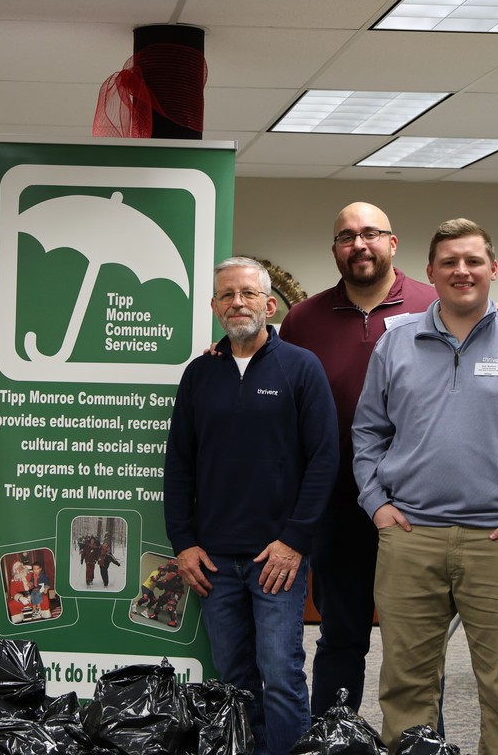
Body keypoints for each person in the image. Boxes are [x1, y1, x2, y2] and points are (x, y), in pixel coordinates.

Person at [352, 219, 498, 753]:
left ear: (493, 269)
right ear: (430, 271)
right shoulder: (396, 345)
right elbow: (368, 432)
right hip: (411, 538)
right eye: (450, 262)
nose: (462, 271)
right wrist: (376, 505)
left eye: (473, 260)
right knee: (405, 685)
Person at [164, 256, 338, 755]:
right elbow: (178, 465)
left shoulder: (301, 368)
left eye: (246, 293)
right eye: (226, 295)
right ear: (215, 306)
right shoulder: (199, 374)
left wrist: (293, 542)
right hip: (213, 560)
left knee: (281, 675)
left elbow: (324, 460)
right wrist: (184, 544)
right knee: (235, 678)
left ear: (269, 302)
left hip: (275, 558)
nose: (236, 302)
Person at [278, 201, 438, 715]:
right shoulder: (303, 319)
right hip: (337, 507)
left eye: (370, 233)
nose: (359, 244)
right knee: (340, 637)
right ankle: (332, 739)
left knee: (414, 644)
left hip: (417, 507)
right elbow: (276, 384)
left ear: (393, 243)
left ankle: (420, 745)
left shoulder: (436, 304)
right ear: (335, 251)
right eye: (347, 236)